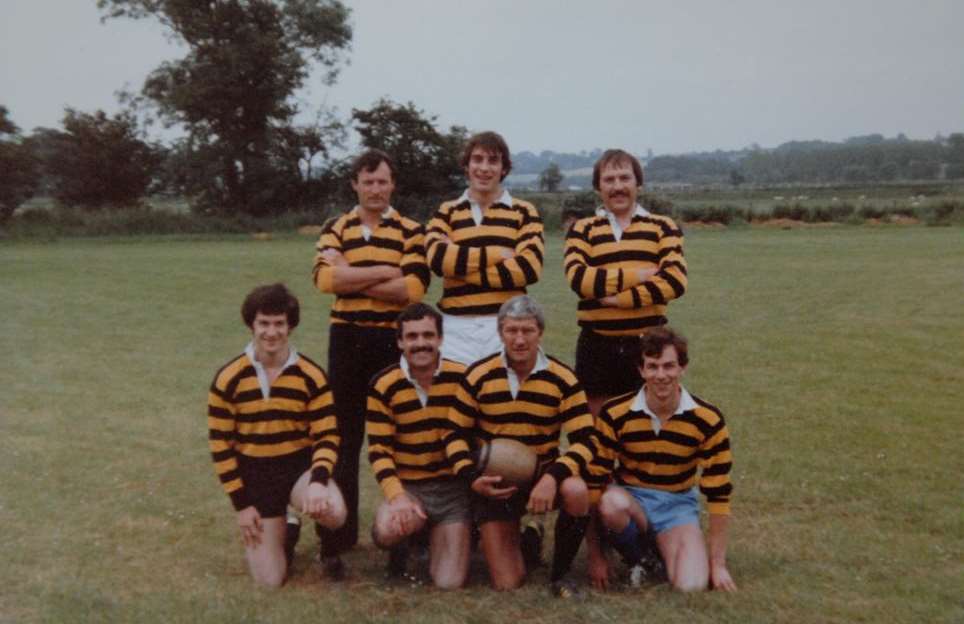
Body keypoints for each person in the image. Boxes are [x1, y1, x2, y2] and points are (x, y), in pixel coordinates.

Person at [312, 149, 430, 577]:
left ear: (393, 184)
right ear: (355, 185)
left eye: (383, 182)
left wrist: (354, 273)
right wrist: (386, 270)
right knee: (344, 439)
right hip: (346, 341)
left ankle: (404, 535)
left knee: (397, 439)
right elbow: (326, 280)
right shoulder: (335, 227)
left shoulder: (412, 230)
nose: (376, 189)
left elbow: (414, 291)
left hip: (390, 341)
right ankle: (337, 540)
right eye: (368, 182)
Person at [448, 295, 596, 594]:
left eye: (527, 330)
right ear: (500, 332)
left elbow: (586, 441)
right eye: (511, 330)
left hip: (542, 476)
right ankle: (529, 538)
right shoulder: (478, 375)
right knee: (507, 582)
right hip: (495, 482)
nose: (519, 339)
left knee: (577, 491)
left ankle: (561, 572)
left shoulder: (563, 378)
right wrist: (473, 479)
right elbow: (453, 434)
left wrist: (552, 478)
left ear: (540, 332)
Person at [207, 283, 346, 587]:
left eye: (279, 323)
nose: (271, 332)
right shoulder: (228, 378)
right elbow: (220, 447)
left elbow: (328, 435)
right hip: (256, 475)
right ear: (251, 325)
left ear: (290, 326)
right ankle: (288, 528)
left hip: (298, 469)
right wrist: (242, 506)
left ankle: (315, 531)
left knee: (334, 511)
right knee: (270, 581)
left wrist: (319, 482)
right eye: (264, 323)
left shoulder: (311, 375)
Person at [588, 327, 736, 592]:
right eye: (652, 367)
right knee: (610, 503)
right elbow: (593, 480)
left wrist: (718, 564)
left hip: (677, 505)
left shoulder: (708, 419)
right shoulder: (615, 413)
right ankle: (638, 557)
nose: (661, 375)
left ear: (683, 368)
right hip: (632, 499)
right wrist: (596, 557)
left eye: (669, 366)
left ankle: (660, 550)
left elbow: (719, 495)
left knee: (691, 586)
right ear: (641, 370)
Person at [564, 149, 687, 419]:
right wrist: (640, 276)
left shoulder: (663, 227)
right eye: (609, 180)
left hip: (648, 345)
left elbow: (675, 281)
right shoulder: (582, 229)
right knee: (597, 430)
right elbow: (579, 280)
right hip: (596, 346)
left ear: (638, 183)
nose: (617, 186)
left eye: (624, 178)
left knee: (647, 427)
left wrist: (620, 299)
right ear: (598, 187)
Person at [366, 303, 472, 589]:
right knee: (388, 529)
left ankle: (433, 537)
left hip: (452, 492)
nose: (421, 343)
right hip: (411, 489)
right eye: (412, 337)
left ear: (440, 338)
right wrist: (397, 496)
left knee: (449, 582)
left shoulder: (463, 378)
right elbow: (379, 451)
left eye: (428, 335)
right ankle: (406, 542)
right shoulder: (384, 384)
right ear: (400, 341)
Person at [425, 131, 544, 366]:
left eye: (493, 160)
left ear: (504, 168)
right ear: (467, 166)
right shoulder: (447, 210)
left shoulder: (524, 211)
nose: (484, 168)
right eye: (477, 159)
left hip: (506, 326)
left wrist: (457, 266)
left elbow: (528, 269)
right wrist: (498, 254)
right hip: (455, 328)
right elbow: (437, 259)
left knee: (503, 401)